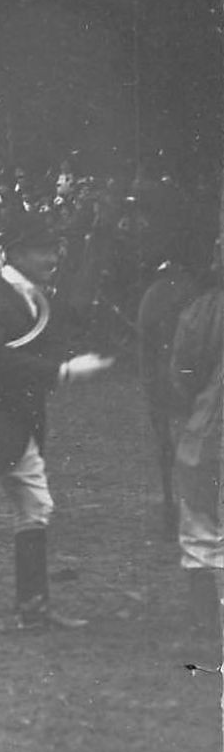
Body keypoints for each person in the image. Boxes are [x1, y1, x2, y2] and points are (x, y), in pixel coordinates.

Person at [0, 215, 113, 630]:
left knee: (36, 507)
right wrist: (62, 373)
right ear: (15, 254)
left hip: (19, 426)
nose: (53, 257)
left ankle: (32, 608)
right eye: (42, 249)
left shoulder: (34, 299)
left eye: (54, 248)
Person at [168, 247, 222, 644]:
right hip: (210, 427)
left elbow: (183, 372)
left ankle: (208, 619)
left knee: (202, 525)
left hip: (208, 432)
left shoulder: (203, 310)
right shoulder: (204, 310)